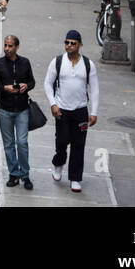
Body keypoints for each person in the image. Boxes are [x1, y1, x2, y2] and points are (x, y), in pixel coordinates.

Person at [43, 30, 99, 193]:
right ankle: (58, 163)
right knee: (62, 140)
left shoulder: (88, 65)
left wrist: (94, 112)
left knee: (78, 145)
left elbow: (94, 90)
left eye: (73, 43)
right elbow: (48, 83)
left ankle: (75, 178)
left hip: (80, 110)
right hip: (62, 110)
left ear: (80, 45)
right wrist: (53, 104)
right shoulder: (57, 62)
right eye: (67, 42)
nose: (69, 45)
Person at [0, 34, 36, 190]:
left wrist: (26, 86)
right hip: (4, 110)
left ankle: (25, 174)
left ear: (17, 47)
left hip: (22, 109)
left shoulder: (25, 62)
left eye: (10, 46)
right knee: (8, 144)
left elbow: (32, 81)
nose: (7, 49)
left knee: (22, 143)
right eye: (5, 45)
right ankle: (13, 174)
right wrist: (4, 88)